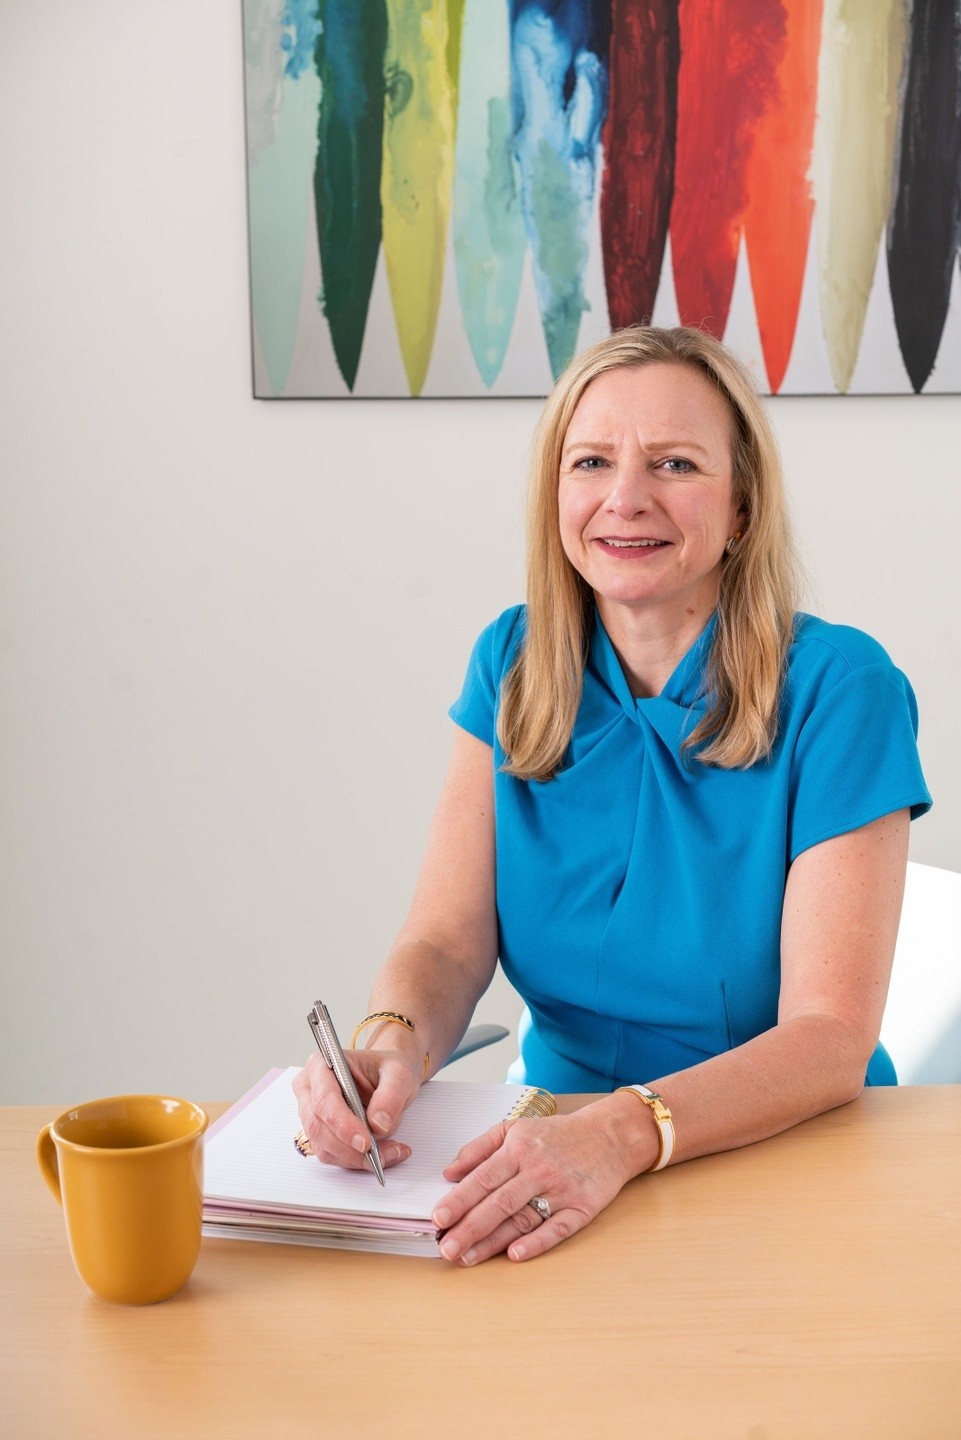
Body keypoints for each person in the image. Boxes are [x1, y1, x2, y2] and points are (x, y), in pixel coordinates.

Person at [294, 325, 931, 1266]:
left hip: (788, 1156)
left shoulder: (840, 689)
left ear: (742, 506)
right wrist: (390, 1043)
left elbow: (829, 1035)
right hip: (551, 1147)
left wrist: (622, 1135)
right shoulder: (512, 662)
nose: (625, 498)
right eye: (590, 461)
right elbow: (445, 942)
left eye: (674, 463)